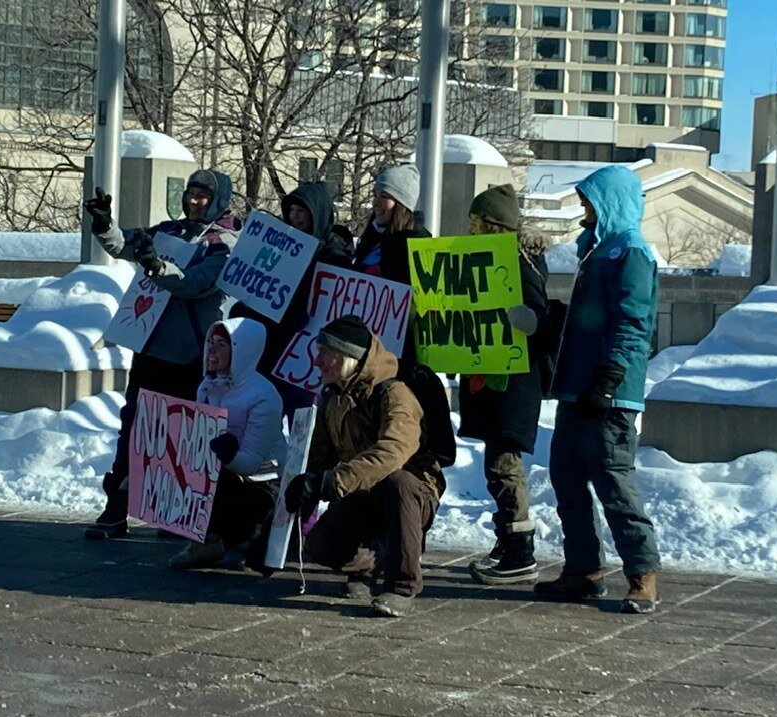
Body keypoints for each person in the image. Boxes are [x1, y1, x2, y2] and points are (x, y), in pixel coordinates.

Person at [82, 169, 235, 539]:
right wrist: (105, 224)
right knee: (135, 428)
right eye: (190, 193)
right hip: (151, 345)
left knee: (185, 434)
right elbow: (127, 244)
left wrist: (154, 264)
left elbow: (196, 285)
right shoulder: (171, 230)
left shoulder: (226, 242)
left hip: (193, 355)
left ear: (217, 201)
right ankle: (116, 508)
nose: (194, 201)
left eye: (202, 196)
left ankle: (179, 513)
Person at [535, 164, 661, 614]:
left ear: (610, 202)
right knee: (567, 479)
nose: (583, 207)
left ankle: (642, 575)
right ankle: (583, 571)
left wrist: (609, 378)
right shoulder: (599, 250)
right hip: (576, 389)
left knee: (614, 483)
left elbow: (633, 321)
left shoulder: (631, 252)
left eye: (589, 199)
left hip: (609, 395)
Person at [284, 315, 444, 618]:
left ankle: (402, 586)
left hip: (411, 494)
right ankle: (373, 561)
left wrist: (334, 482)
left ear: (348, 357)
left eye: (324, 353)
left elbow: (393, 452)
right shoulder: (333, 398)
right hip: (363, 490)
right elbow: (318, 457)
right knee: (320, 546)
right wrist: (296, 497)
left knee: (399, 481)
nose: (317, 361)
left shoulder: (394, 393)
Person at [457, 184, 555, 586]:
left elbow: (540, 317)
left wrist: (525, 318)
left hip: (513, 383)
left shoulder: (522, 264)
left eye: (478, 223)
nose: (472, 230)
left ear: (495, 226)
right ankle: (506, 540)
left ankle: (519, 551)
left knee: (504, 464)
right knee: (494, 462)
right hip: (488, 378)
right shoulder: (480, 259)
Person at [168, 318, 287, 574]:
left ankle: (254, 539)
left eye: (221, 344)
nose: (211, 350)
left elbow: (253, 461)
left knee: (243, 532)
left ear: (240, 351)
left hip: (262, 480)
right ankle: (205, 543)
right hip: (225, 471)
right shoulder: (207, 386)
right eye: (210, 342)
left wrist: (227, 454)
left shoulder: (264, 396)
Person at [229, 181, 353, 421]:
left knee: (301, 418)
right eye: (291, 211)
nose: (295, 218)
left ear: (316, 214)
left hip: (305, 351)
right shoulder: (278, 245)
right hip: (271, 343)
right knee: (263, 413)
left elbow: (331, 303)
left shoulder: (334, 255)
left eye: (301, 212)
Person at [352, 164, 430, 367]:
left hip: (397, 351)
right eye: (375, 194)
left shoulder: (418, 243)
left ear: (401, 203)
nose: (376, 203)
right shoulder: (370, 237)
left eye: (384, 196)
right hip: (362, 340)